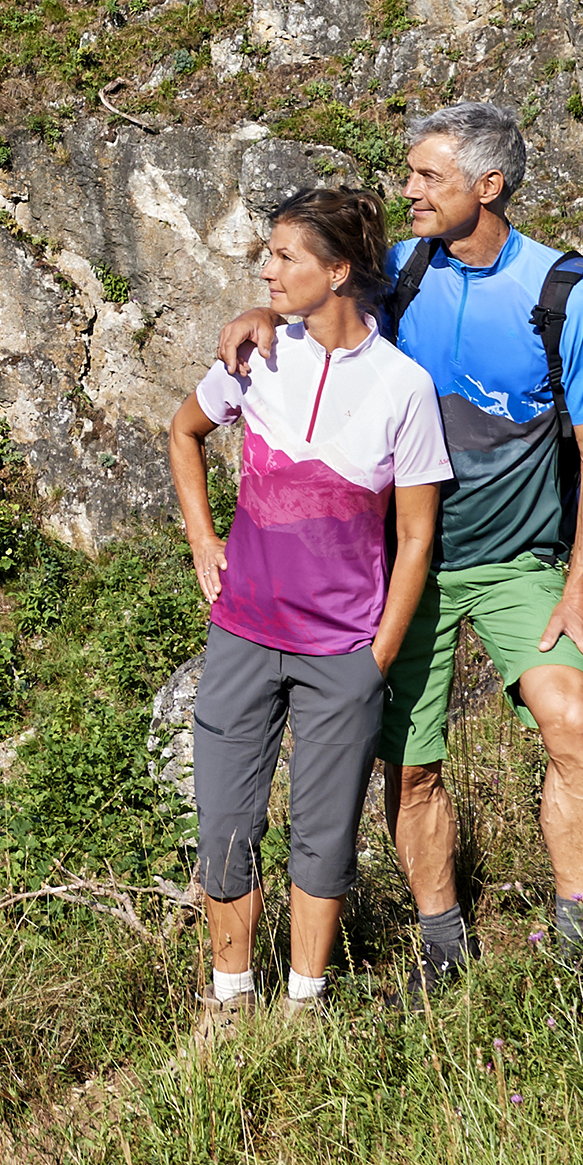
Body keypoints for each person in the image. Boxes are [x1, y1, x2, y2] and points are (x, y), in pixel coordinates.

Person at [216, 102, 583, 1006]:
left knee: (571, 720)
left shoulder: (562, 295)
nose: (407, 191)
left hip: (520, 562)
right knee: (410, 768)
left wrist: (580, 591)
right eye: (409, 175)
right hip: (402, 567)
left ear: (486, 188)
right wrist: (260, 307)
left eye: (426, 177)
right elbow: (316, 300)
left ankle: (581, 947)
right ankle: (441, 946)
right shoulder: (402, 273)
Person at [167, 186, 446, 1025]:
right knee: (224, 823)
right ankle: (228, 1001)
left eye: (286, 255)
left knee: (323, 834)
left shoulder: (404, 387)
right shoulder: (256, 358)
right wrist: (201, 541)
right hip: (242, 635)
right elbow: (183, 433)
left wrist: (379, 654)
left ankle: (305, 1007)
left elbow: (417, 538)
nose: (267, 268)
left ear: (341, 269)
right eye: (269, 253)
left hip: (342, 653)